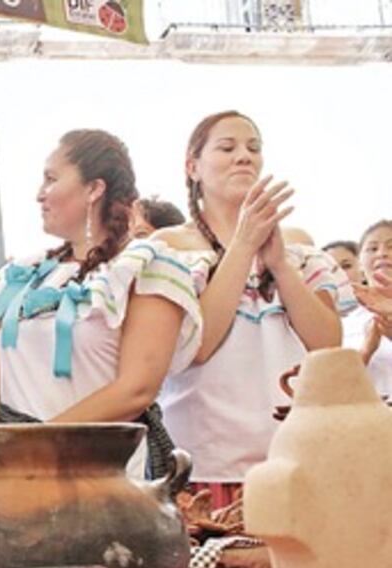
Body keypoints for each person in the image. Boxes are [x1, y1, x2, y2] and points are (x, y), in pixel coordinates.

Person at [0, 129, 202, 481]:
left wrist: (33, 448)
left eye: (51, 179)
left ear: (94, 189)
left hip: (104, 479)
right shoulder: (27, 273)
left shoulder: (147, 267)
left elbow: (136, 389)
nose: (39, 194)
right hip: (15, 477)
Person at [156, 110, 352, 509]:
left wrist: (279, 265)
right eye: (227, 147)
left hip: (294, 459)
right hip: (205, 465)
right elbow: (196, 346)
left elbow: (327, 346)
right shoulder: (171, 246)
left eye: (253, 148)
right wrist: (243, 247)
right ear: (192, 167)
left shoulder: (297, 245)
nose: (244, 156)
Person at [344, 221, 392, 394]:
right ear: (360, 264)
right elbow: (334, 389)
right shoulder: (344, 325)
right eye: (372, 248)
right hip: (365, 418)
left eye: (391, 246)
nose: (382, 253)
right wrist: (366, 350)